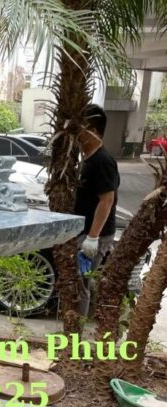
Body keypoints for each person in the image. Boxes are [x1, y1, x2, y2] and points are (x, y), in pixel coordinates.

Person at [74, 104, 120, 316]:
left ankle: (76, 330)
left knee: (80, 282)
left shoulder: (102, 161)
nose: (75, 133)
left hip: (95, 237)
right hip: (85, 232)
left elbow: (107, 200)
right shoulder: (88, 158)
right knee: (77, 282)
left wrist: (92, 238)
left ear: (91, 129)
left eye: (79, 128)